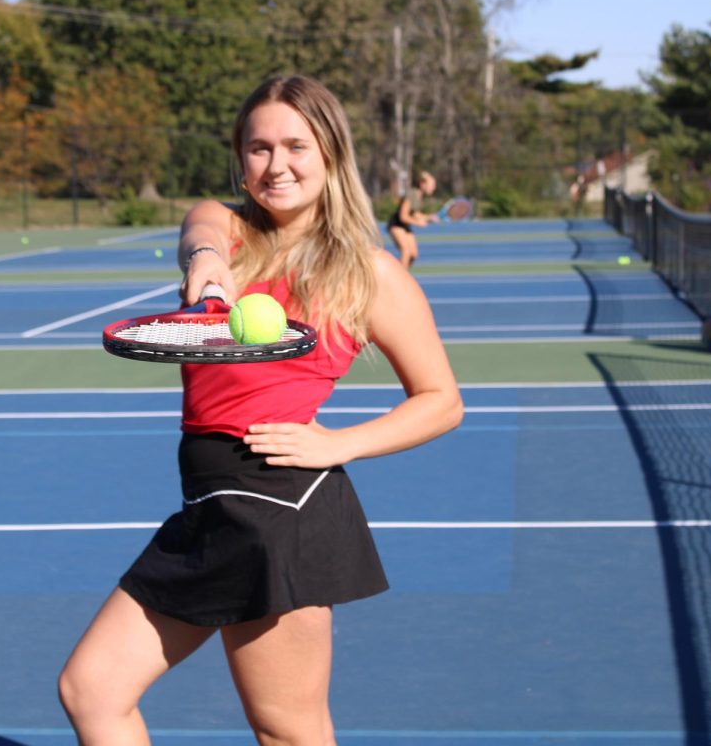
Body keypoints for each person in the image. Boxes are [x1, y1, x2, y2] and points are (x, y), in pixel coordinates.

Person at [58, 75, 463, 745]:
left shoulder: (371, 273)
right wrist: (208, 262)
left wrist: (340, 444)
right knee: (92, 691)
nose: (276, 165)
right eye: (259, 147)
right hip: (209, 507)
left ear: (330, 153)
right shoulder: (227, 238)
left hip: (284, 512)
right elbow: (202, 226)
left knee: (286, 730)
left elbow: (442, 402)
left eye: (296, 146)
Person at [387, 169, 437, 269]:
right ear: (422, 184)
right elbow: (403, 216)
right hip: (396, 224)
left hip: (405, 226)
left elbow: (414, 213)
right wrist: (417, 223)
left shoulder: (419, 196)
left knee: (413, 254)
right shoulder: (411, 195)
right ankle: (399, 279)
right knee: (406, 252)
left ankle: (397, 271)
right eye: (431, 184)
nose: (434, 187)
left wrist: (428, 217)